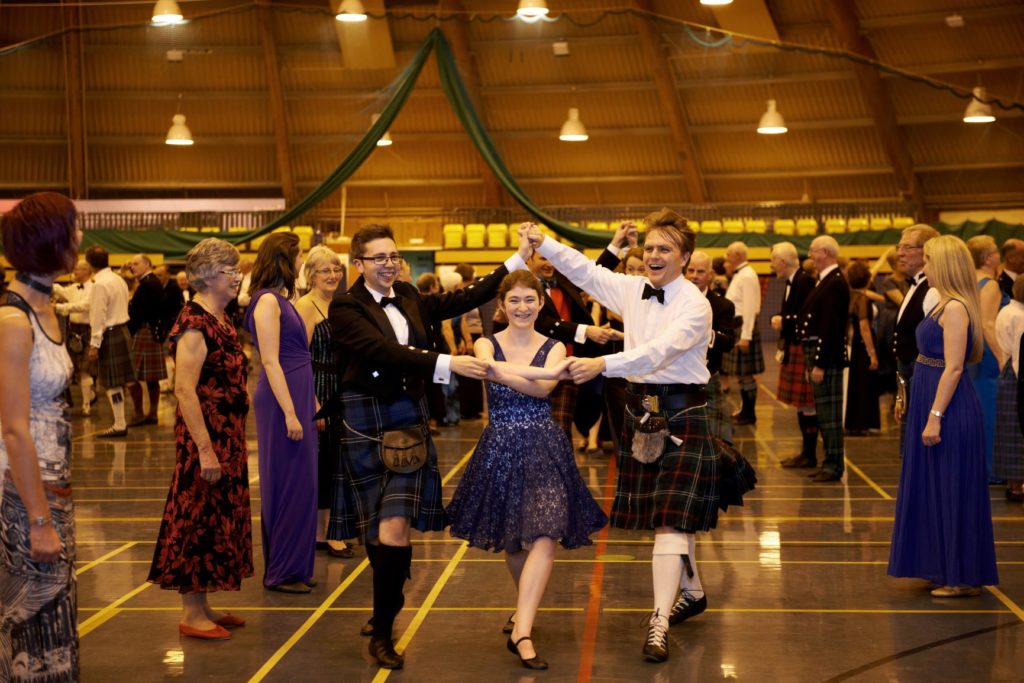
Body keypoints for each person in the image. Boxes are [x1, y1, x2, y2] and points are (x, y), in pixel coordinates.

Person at [521, 210, 754, 664]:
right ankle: (692, 591)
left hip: (683, 410)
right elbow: (584, 270)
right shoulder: (630, 287)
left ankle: (659, 622)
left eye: (664, 249)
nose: (653, 255)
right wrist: (542, 242)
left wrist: (603, 364)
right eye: (648, 248)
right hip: (640, 412)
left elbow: (659, 351)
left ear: (684, 257)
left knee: (669, 520)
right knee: (669, 517)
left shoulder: (695, 304)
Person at [328, 224, 529, 670]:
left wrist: (515, 260)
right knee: (378, 532)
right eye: (378, 257)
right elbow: (379, 350)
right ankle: (385, 615)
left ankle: (382, 627)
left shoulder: (411, 296)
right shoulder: (345, 307)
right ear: (358, 264)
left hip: (408, 416)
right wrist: (446, 361)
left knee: (395, 526)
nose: (389, 263)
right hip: (366, 419)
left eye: (393, 256)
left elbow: (465, 298)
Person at [446, 270, 607, 670]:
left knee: (546, 533)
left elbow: (542, 391)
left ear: (540, 303)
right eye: (514, 301)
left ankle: (523, 631)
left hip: (543, 445)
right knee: (513, 542)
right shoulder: (485, 342)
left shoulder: (554, 345)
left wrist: (532, 375)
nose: (522, 307)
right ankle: (524, 608)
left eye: (529, 300)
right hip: (499, 445)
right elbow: (497, 371)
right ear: (502, 306)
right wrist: (549, 371)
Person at [147, 238, 254, 640]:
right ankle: (191, 614)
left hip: (228, 438)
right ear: (208, 277)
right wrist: (205, 450)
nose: (237, 276)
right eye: (231, 271)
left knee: (216, 520)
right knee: (195, 520)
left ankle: (203, 603)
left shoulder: (223, 317)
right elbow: (185, 390)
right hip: (204, 442)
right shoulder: (194, 323)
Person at [0, 191, 81, 680]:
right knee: (30, 622)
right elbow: (13, 429)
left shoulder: (45, 309)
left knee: (55, 615)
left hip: (53, 484)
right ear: (51, 241)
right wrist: (37, 520)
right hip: (21, 491)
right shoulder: (13, 321)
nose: (80, 239)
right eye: (73, 229)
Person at [888, 235, 998, 597]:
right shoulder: (943, 304)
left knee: (952, 488)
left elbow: (952, 368)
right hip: (929, 397)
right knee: (936, 487)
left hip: (947, 406)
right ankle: (945, 566)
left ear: (945, 265)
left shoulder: (954, 309)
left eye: (930, 260)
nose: (925, 266)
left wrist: (935, 415)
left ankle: (959, 575)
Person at [243, 233, 317, 594]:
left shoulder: (281, 299)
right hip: (281, 397)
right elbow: (269, 361)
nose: (302, 262)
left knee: (302, 482)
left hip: (297, 393)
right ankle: (282, 570)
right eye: (299, 255)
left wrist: (310, 403)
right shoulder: (267, 302)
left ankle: (294, 566)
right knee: (287, 483)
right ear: (286, 259)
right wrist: (290, 412)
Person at [294, 246, 354, 559]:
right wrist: (313, 402)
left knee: (338, 461)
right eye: (324, 271)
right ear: (311, 275)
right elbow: (300, 358)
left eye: (336, 270)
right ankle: (323, 533)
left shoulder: (340, 304)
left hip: (341, 388)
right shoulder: (305, 306)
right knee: (324, 462)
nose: (332, 276)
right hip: (318, 386)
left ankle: (331, 528)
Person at [796, 236, 850, 482]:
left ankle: (833, 465)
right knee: (825, 414)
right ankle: (830, 461)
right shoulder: (826, 281)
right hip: (821, 355)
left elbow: (831, 327)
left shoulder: (835, 282)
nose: (809, 256)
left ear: (826, 252)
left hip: (826, 358)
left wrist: (819, 362)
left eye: (813, 251)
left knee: (829, 416)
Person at [769, 242, 819, 468]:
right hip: (794, 345)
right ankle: (805, 453)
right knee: (802, 404)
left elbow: (810, 316)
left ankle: (810, 454)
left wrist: (784, 320)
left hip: (803, 346)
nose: (771, 266)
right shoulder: (794, 281)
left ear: (782, 261)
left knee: (808, 403)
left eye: (772, 261)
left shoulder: (804, 280)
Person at [893, 225, 941, 455]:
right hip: (908, 375)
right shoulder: (914, 285)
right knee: (909, 448)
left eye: (907, 247)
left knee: (919, 449)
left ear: (926, 251)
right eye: (899, 247)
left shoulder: (932, 291)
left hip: (922, 375)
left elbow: (934, 342)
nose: (900, 253)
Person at [966, 235, 1008, 481]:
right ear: (988, 257)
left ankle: (978, 467)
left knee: (978, 411)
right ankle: (991, 469)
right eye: (995, 251)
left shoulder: (970, 281)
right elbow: (986, 323)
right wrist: (1002, 356)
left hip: (974, 353)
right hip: (988, 355)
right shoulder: (989, 284)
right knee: (990, 411)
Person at [85, 245, 137, 437]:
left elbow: (98, 316)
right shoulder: (118, 279)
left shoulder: (99, 284)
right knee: (116, 382)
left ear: (90, 264)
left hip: (109, 334)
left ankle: (120, 423)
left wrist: (94, 344)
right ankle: (120, 422)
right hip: (122, 330)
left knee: (111, 382)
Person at [685, 251, 737, 443]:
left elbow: (728, 342)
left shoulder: (723, 306)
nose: (694, 276)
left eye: (700, 271)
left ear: (710, 275)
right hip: (676, 377)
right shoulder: (670, 300)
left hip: (707, 375)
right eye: (690, 270)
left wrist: (702, 332)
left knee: (717, 438)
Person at [722, 241, 763, 425]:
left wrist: (746, 336)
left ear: (737, 255)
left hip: (743, 327)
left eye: (729, 254)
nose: (727, 258)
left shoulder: (747, 275)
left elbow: (749, 308)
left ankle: (749, 413)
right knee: (741, 374)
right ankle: (744, 410)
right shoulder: (741, 274)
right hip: (737, 326)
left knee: (746, 374)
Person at [126, 254, 169, 426]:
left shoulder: (148, 284)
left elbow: (138, 313)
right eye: (131, 264)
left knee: (132, 376)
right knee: (152, 378)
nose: (132, 267)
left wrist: (128, 331)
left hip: (143, 331)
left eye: (136, 264)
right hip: (150, 331)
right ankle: (152, 414)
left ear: (147, 264)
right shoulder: (150, 282)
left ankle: (140, 415)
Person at [994, 275, 1024, 501]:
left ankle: (1014, 484)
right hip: (1016, 375)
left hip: (1007, 372)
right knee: (1016, 432)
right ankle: (1017, 485)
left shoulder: (1006, 311)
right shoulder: (1019, 315)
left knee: (1009, 429)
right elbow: (1018, 353)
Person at [53, 260, 96, 416]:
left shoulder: (95, 288)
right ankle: (90, 395)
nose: (75, 272)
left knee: (85, 370)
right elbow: (57, 289)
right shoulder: (72, 289)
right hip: (73, 332)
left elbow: (84, 306)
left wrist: (58, 307)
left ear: (88, 271)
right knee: (74, 370)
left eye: (78, 269)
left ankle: (86, 405)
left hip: (88, 330)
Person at [845, 261, 881, 435]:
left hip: (850, 345)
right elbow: (864, 326)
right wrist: (872, 353)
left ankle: (853, 423)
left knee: (853, 384)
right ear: (867, 280)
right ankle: (862, 423)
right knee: (863, 385)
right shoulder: (862, 299)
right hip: (862, 345)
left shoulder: (848, 295)